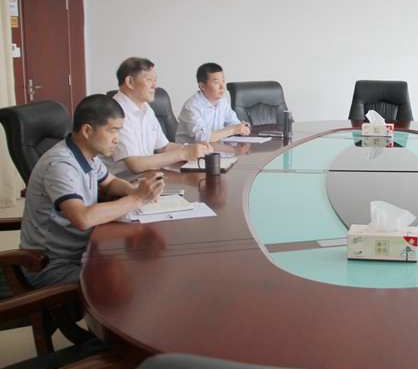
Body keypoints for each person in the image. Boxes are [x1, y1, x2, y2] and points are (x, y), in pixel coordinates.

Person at [20, 94, 165, 287]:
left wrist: (133, 189)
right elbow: (83, 218)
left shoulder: (87, 155)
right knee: (125, 281)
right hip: (50, 265)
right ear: (87, 130)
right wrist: (137, 199)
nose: (117, 139)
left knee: (136, 268)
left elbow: (110, 182)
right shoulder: (60, 164)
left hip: (82, 251)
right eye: (113, 131)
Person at [109, 57, 212, 174]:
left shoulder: (145, 107)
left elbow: (164, 147)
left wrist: (193, 148)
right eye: (149, 80)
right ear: (130, 82)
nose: (154, 86)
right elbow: (135, 164)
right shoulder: (115, 111)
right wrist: (184, 153)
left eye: (155, 81)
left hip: (146, 176)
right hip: (122, 181)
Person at [175, 62, 250, 144]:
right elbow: (202, 138)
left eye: (223, 81)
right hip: (191, 151)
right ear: (202, 86)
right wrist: (234, 130)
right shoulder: (192, 106)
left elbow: (233, 123)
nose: (222, 87)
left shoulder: (223, 102)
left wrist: (242, 127)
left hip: (217, 148)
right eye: (216, 83)